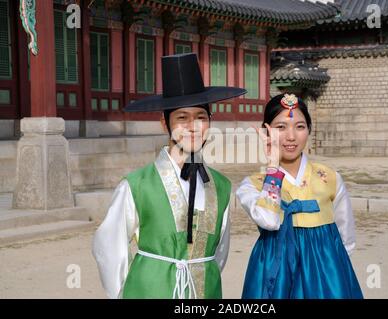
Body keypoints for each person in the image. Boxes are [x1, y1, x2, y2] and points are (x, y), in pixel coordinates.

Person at [92, 53, 246, 299]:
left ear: (210, 122)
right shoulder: (137, 185)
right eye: (182, 118)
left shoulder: (222, 186)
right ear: (165, 123)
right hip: (150, 289)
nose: (193, 127)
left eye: (201, 117)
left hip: (204, 291)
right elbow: (109, 246)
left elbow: (219, 252)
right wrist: (123, 292)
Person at [236, 93, 363, 299]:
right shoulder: (253, 185)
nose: (291, 136)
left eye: (300, 126)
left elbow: (345, 236)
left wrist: (336, 269)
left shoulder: (329, 178)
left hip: (326, 269)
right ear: (265, 132)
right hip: (274, 270)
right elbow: (269, 220)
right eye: (280, 127)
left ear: (309, 130)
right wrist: (273, 168)